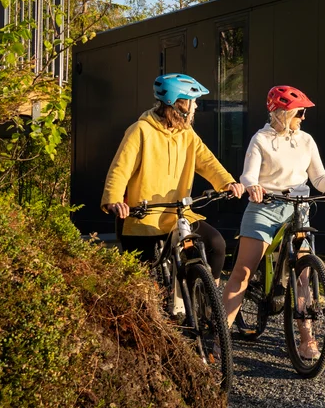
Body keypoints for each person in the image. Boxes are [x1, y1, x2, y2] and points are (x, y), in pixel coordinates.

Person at [221, 85, 325, 361]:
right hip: (265, 207)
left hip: (298, 209)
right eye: (299, 113)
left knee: (304, 273)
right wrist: (253, 187)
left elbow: (319, 178)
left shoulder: (306, 140)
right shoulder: (261, 140)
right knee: (243, 272)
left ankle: (307, 338)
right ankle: (220, 339)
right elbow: (247, 176)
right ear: (281, 113)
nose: (303, 118)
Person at [102, 74, 246, 307]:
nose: (196, 106)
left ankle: (207, 302)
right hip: (144, 217)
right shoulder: (140, 131)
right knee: (143, 288)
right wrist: (114, 200)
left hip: (179, 214)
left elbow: (207, 162)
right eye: (193, 101)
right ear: (179, 104)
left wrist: (227, 183)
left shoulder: (186, 134)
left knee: (216, 244)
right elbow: (120, 169)